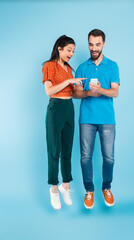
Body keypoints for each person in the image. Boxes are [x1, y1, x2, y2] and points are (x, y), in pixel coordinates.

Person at [73, 29, 120, 209]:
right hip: (87, 119)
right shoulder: (83, 67)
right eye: (91, 44)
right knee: (85, 157)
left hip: (107, 118)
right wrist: (88, 92)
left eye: (97, 44)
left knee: (109, 158)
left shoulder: (112, 65)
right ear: (88, 44)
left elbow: (115, 92)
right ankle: (89, 190)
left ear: (103, 44)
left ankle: (106, 187)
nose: (94, 48)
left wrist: (100, 90)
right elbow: (75, 94)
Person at [42, 35, 86, 210]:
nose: (72, 54)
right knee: (54, 149)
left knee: (67, 149)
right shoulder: (49, 66)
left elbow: (72, 94)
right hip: (56, 108)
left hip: (69, 108)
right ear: (59, 48)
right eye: (69, 50)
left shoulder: (69, 69)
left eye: (73, 51)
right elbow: (49, 90)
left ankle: (65, 185)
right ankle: (54, 188)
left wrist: (78, 89)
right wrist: (68, 81)